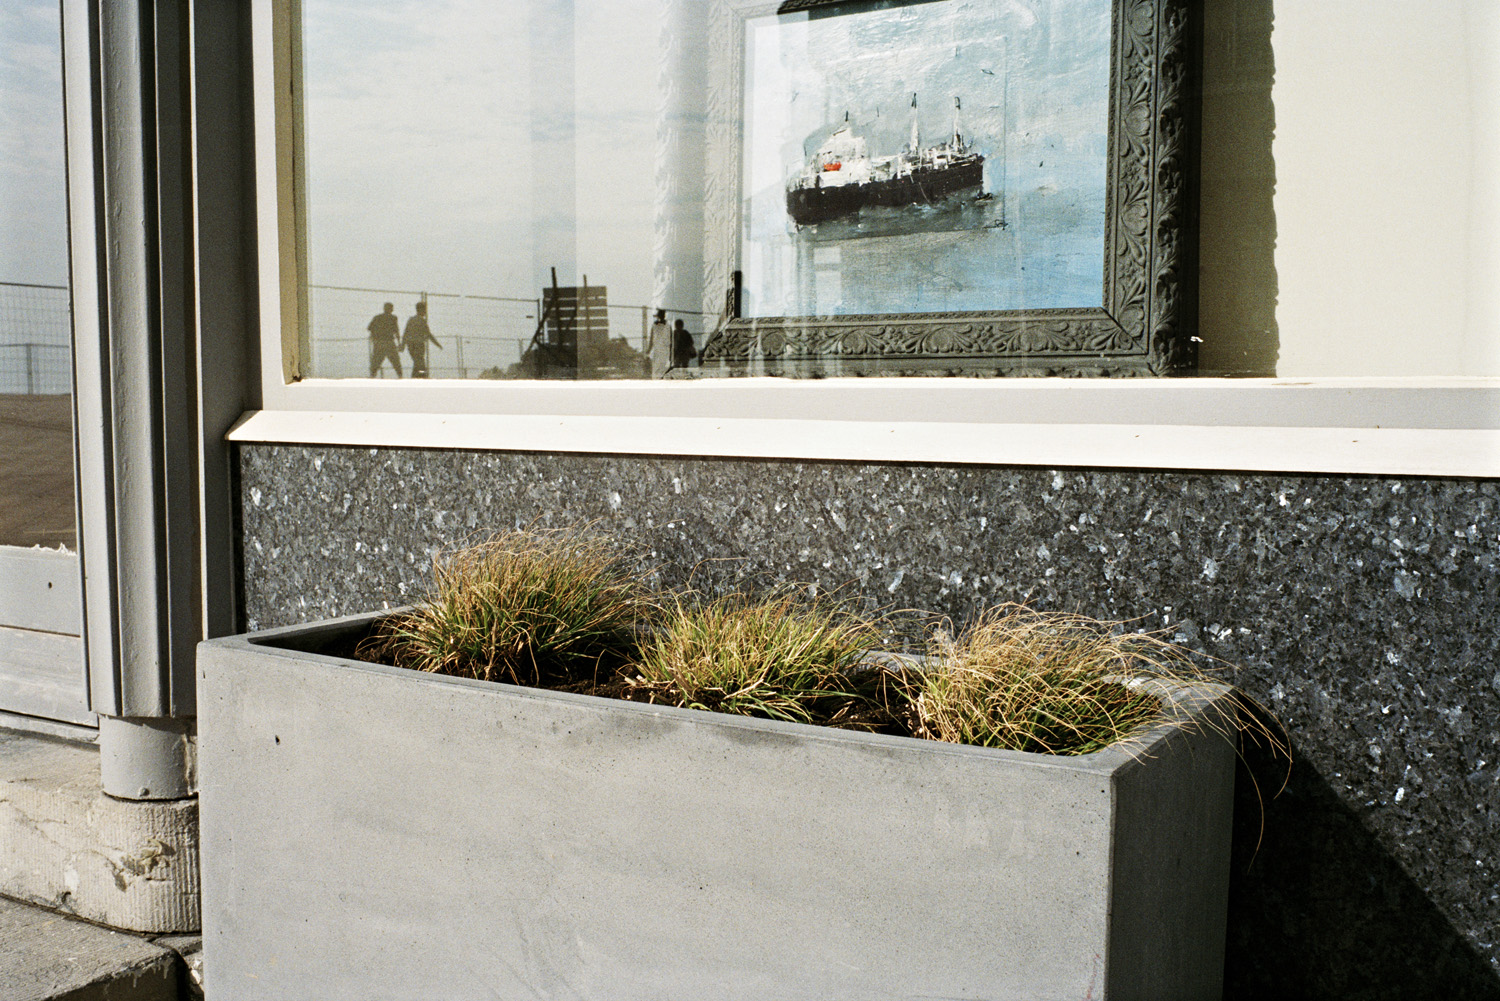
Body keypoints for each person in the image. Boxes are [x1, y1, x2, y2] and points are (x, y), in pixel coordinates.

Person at [403, 301, 443, 378]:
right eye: (424, 310)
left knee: (417, 363)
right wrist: (437, 344)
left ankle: (416, 377)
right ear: (420, 310)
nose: (425, 312)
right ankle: (422, 377)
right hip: (418, 345)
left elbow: (406, 333)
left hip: (411, 346)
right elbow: (428, 334)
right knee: (420, 363)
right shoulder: (421, 321)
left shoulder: (411, 320)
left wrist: (403, 344)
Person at [367, 302, 402, 378]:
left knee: (376, 362)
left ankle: (372, 377)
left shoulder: (377, 318)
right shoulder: (393, 318)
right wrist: (399, 343)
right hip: (389, 342)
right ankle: (400, 377)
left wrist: (375, 338)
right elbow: (396, 331)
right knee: (396, 362)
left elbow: (370, 328)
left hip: (379, 343)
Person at [645, 308, 671, 378]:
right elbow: (651, 339)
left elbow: (671, 341)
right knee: (656, 370)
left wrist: (671, 354)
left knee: (663, 370)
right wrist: (648, 351)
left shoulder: (668, 326)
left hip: (665, 352)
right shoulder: (654, 326)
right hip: (656, 351)